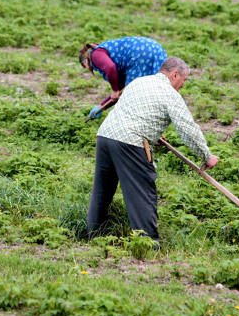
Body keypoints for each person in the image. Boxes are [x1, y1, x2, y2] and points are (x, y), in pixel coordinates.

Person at [86, 57, 219, 243]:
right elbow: (187, 128)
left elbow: (134, 112)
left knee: (103, 190)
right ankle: (148, 243)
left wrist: (153, 135)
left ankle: (93, 234)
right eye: (184, 80)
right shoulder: (170, 94)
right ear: (174, 75)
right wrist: (206, 156)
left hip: (105, 136)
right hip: (131, 143)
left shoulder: (139, 81)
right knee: (141, 192)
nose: (183, 85)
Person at [79, 36, 167, 119]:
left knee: (135, 96)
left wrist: (115, 90)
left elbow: (110, 68)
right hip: (155, 48)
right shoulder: (116, 58)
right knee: (146, 92)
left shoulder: (95, 54)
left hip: (140, 53)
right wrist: (101, 106)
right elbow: (121, 93)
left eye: (85, 66)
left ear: (86, 60)